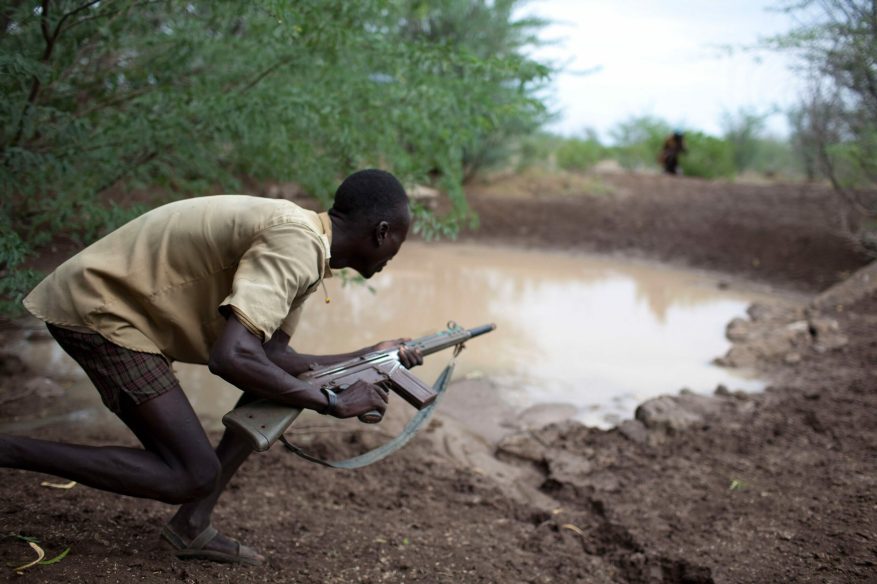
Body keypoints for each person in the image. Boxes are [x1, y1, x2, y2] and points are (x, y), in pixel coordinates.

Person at [0, 168, 423, 565]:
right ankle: (8, 450)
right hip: (100, 309)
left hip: (120, 311)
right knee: (192, 475)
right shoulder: (297, 244)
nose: (395, 254)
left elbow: (272, 357)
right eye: (399, 241)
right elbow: (231, 357)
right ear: (382, 232)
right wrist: (329, 401)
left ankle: (191, 525)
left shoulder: (307, 246)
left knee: (273, 385)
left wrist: (368, 356)